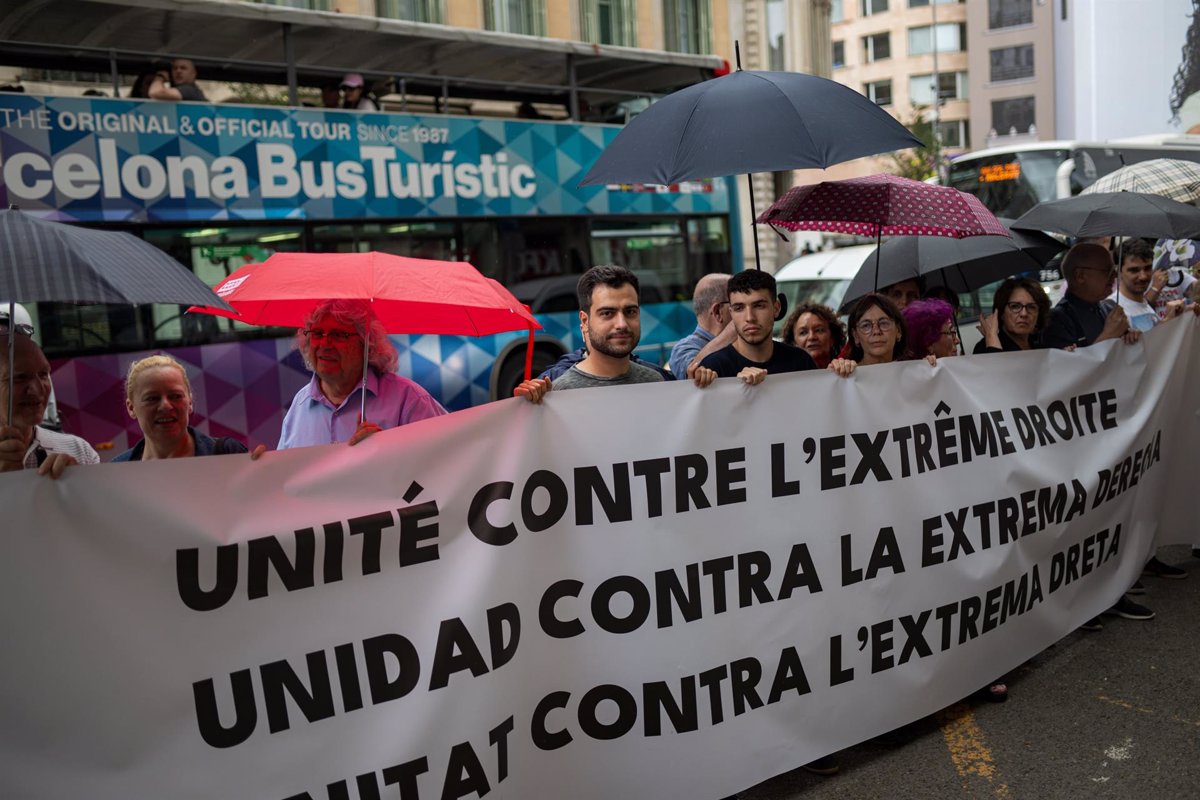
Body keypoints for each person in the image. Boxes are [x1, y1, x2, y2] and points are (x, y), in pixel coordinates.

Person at [278, 300, 446, 449]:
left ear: (366, 345)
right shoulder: (299, 406)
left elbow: (445, 465)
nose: (325, 344)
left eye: (338, 335)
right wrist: (263, 467)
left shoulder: (409, 400)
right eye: (317, 334)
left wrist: (386, 454)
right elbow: (284, 479)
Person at [517, 265, 696, 402]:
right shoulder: (557, 394)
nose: (621, 324)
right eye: (607, 313)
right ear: (585, 322)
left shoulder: (655, 382)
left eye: (630, 311)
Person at [0, 324, 99, 478]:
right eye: (19, 377)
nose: (38, 388)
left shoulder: (79, 451)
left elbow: (100, 502)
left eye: (43, 374)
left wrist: (79, 484)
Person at [112, 355, 248, 462]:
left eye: (176, 396)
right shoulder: (117, 471)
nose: (165, 406)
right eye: (152, 398)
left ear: (190, 402)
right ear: (131, 408)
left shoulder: (229, 453)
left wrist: (264, 474)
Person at [697, 270, 817, 385]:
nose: (750, 317)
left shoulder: (801, 362)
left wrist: (835, 374)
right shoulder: (713, 369)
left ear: (776, 308)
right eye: (739, 308)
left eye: (759, 306)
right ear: (731, 312)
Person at [1042, 243, 1140, 350]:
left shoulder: (1109, 309)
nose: (1115, 275)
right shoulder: (1057, 320)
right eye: (1107, 271)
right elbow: (1070, 365)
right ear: (1080, 276)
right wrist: (1108, 335)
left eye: (1114, 270)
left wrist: (1131, 338)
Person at [1110, 238, 1193, 332]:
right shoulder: (1112, 309)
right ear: (1118, 271)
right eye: (1134, 270)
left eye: (1147, 268)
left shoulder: (1145, 306)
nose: (1143, 276)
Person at [668, 273, 731, 377]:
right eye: (738, 306)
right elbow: (694, 375)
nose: (747, 315)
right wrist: (733, 330)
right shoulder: (684, 349)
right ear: (717, 312)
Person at [973, 277, 1051, 353]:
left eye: (1031, 307)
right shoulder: (986, 348)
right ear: (1001, 313)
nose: (1024, 314)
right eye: (1015, 306)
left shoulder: (1040, 346)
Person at [839, 294, 907, 367]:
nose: (876, 331)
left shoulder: (913, 374)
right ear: (856, 336)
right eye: (866, 326)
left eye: (884, 323)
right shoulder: (844, 375)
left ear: (898, 330)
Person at [780, 302, 845, 369]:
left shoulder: (846, 371)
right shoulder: (783, 375)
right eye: (803, 332)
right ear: (793, 343)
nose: (812, 337)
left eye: (819, 330)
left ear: (832, 338)